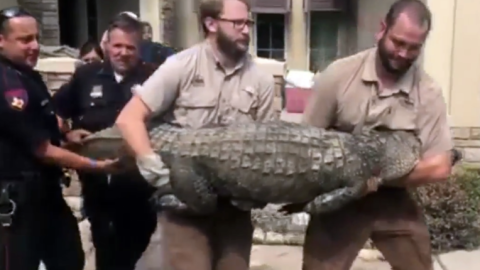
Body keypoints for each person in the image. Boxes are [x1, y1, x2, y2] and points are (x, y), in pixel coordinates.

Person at [115, 0, 276, 269]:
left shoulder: (261, 81)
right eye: (237, 23)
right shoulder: (180, 66)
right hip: (184, 209)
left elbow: (269, 144)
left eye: (248, 23)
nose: (246, 30)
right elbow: (130, 118)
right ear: (211, 24)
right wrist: (153, 167)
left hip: (234, 211)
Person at [298, 1, 452, 269]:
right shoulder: (339, 75)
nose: (403, 53)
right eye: (398, 42)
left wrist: (375, 174)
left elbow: (439, 166)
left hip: (394, 199)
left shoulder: (428, 92)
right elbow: (303, 143)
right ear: (382, 29)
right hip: (338, 199)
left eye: (414, 47)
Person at [0, 6, 116, 270]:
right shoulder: (6, 84)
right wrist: (99, 166)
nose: (35, 46)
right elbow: (42, 150)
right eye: (25, 39)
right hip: (17, 203)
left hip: (46, 195)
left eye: (36, 38)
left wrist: (69, 136)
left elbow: (43, 131)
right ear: (1, 40)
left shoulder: (27, 75)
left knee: (69, 260)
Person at [52, 15, 157, 270]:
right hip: (98, 187)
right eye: (117, 46)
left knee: (141, 254)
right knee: (106, 253)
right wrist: (67, 134)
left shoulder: (155, 78)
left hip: (140, 188)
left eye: (130, 47)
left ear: (139, 48)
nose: (123, 53)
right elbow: (53, 112)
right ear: (107, 45)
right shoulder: (86, 76)